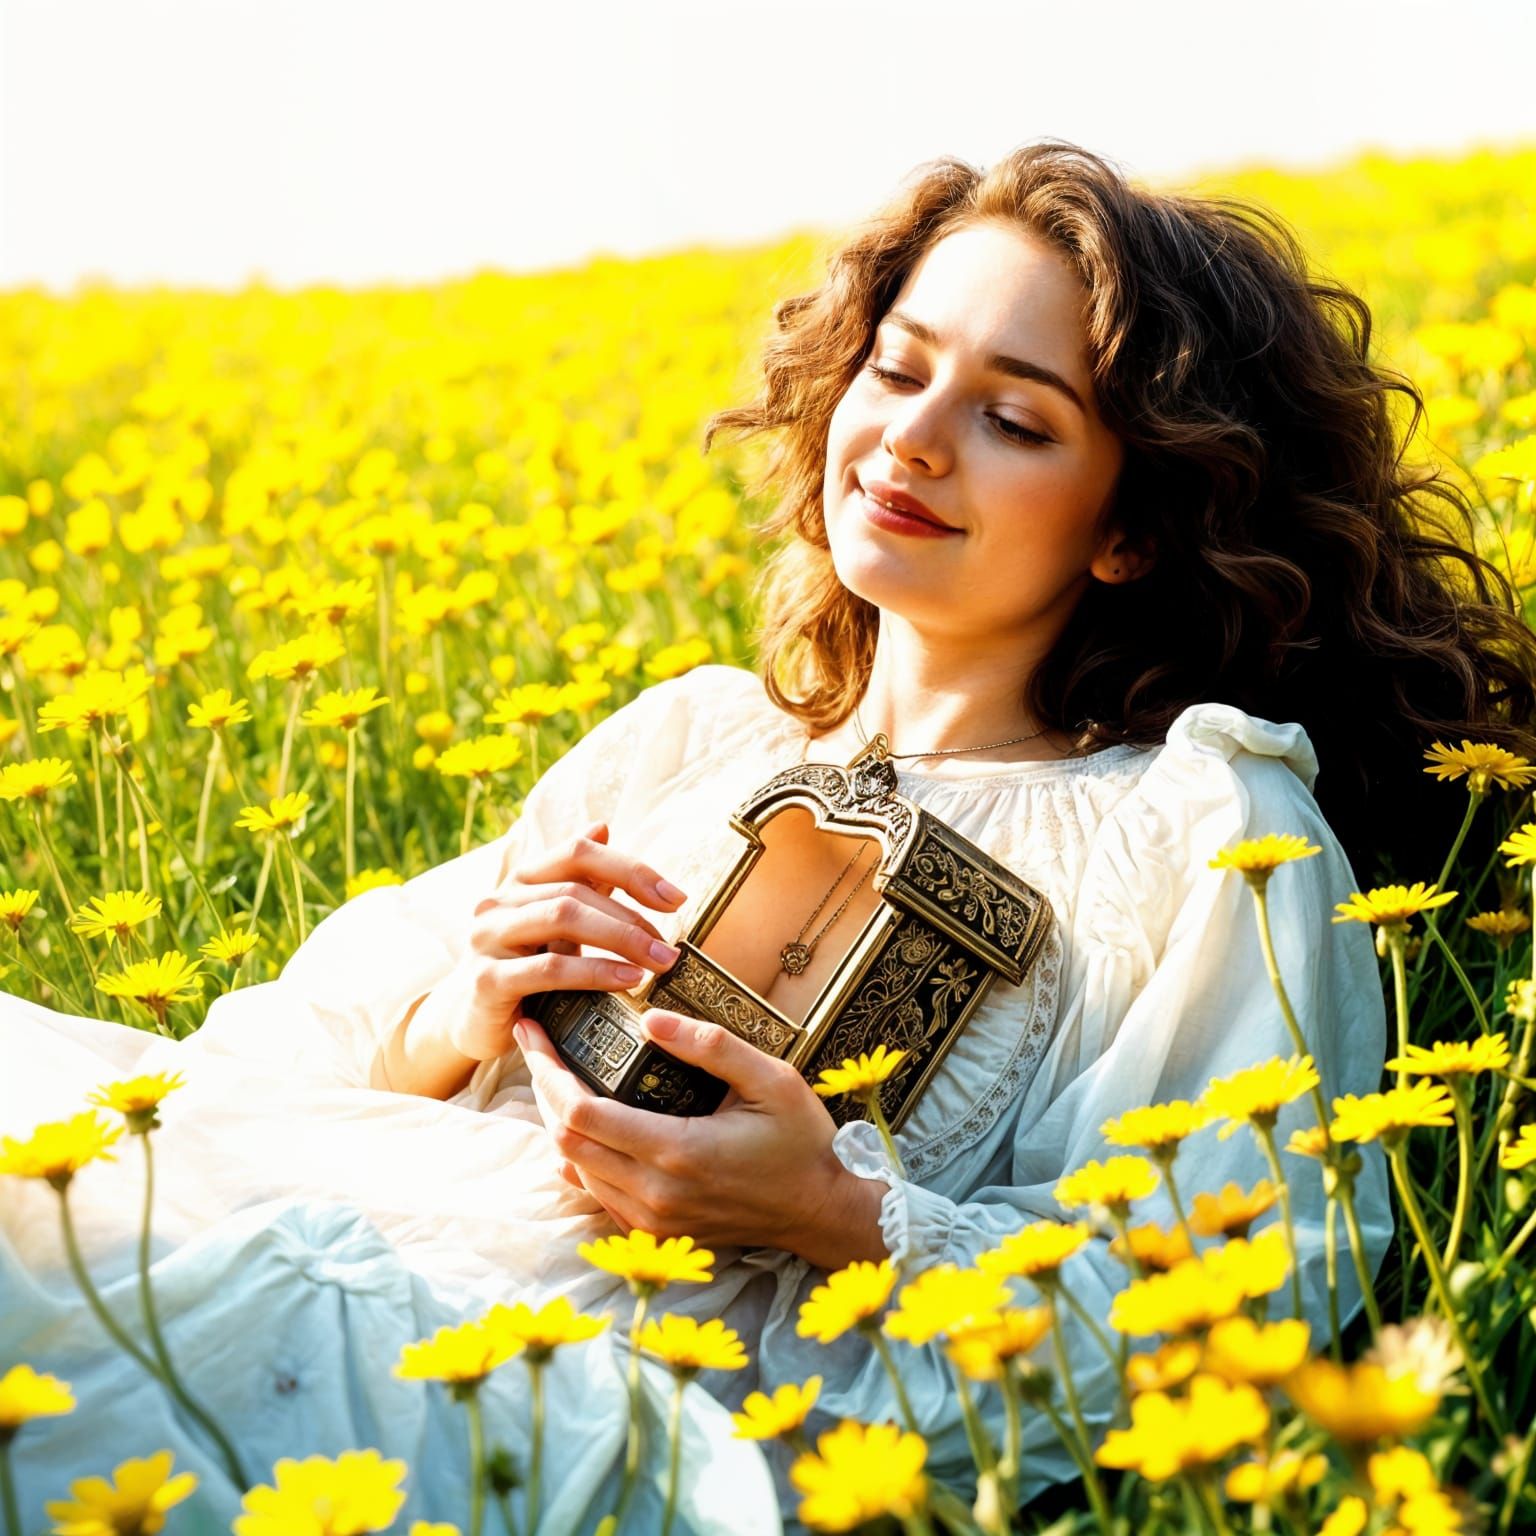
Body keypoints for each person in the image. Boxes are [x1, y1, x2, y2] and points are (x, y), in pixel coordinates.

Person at [4, 138, 1536, 1535]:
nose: (911, 438)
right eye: (897, 368)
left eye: (1011, 418)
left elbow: (1224, 1290)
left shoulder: (1200, 824)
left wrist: (835, 1217)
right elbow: (227, 1073)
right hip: (335, 1223)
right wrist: (456, 1011)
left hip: (593, 1404)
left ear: (1134, 526)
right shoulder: (694, 740)